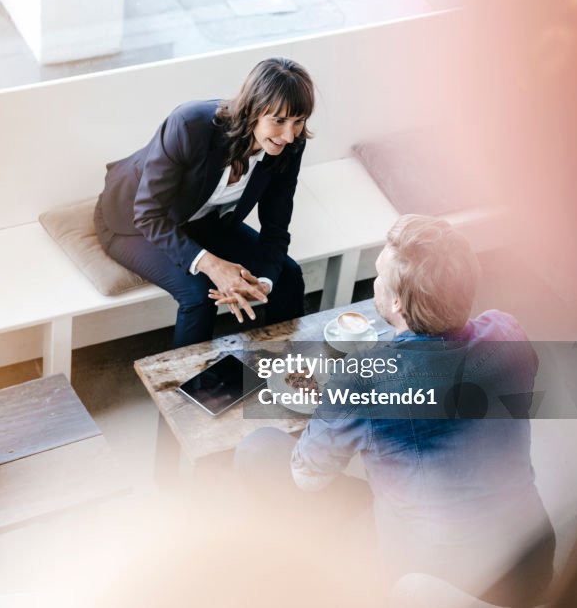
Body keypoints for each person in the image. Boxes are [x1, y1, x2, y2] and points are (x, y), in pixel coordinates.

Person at [235, 215, 555, 607]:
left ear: (397, 301)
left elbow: (308, 478)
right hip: (533, 566)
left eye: (380, 275)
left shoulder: (362, 382)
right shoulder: (508, 331)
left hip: (438, 583)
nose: (375, 283)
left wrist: (337, 410)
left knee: (259, 449)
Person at [95, 58, 313, 348]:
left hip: (203, 220)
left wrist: (264, 282)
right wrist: (213, 265)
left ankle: (286, 372)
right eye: (279, 120)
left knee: (287, 274)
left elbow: (276, 226)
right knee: (199, 294)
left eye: (298, 122)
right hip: (132, 222)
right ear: (252, 109)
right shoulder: (189, 124)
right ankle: (189, 388)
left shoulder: (290, 146)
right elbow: (148, 215)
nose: (289, 135)